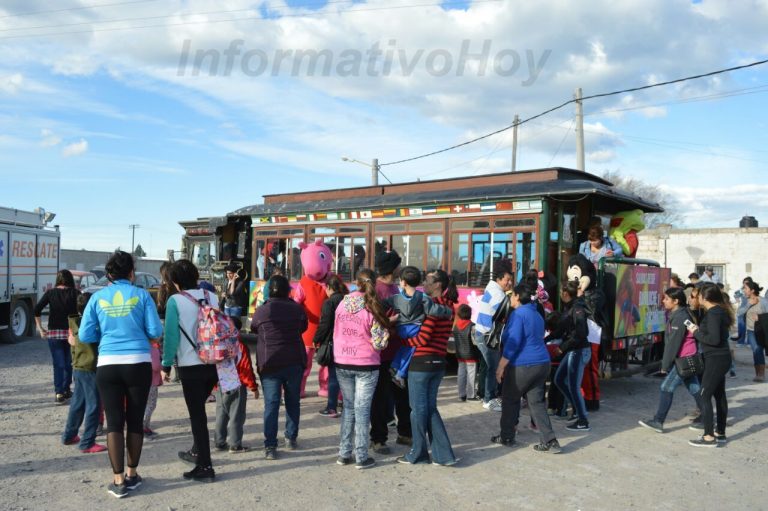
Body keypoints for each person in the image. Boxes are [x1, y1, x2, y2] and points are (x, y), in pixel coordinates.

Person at [79, 251, 163, 498]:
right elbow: (155, 331)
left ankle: (117, 482)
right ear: (131, 273)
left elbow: (85, 335)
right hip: (138, 363)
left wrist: (106, 334)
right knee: (135, 421)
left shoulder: (97, 298)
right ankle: (132, 475)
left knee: (114, 422)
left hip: (108, 365)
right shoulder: (142, 295)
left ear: (108, 275)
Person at [161, 259, 220, 482]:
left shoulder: (175, 301)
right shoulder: (211, 296)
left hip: (190, 365)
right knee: (200, 412)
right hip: (213, 363)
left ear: (175, 281)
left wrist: (166, 365)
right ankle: (197, 451)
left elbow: (171, 337)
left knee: (198, 417)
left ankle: (205, 466)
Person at [397, 269, 458, 466]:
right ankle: (443, 455)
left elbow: (422, 338)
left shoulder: (433, 306)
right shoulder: (450, 306)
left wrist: (402, 340)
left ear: (438, 284)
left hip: (422, 363)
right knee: (430, 408)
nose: (425, 284)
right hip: (439, 362)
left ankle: (418, 453)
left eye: (429, 281)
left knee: (417, 410)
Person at [492, 283, 562, 453]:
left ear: (516, 296)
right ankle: (550, 440)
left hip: (523, 365)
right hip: (542, 363)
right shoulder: (536, 314)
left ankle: (507, 436)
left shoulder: (518, 315)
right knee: (536, 403)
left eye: (511, 295)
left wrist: (501, 366)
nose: (509, 298)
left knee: (510, 399)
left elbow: (513, 342)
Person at [333, 269, 390, 469]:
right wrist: (389, 325)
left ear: (356, 282)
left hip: (342, 360)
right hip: (366, 363)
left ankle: (344, 453)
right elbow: (379, 343)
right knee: (362, 409)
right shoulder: (373, 306)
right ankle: (361, 456)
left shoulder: (341, 304)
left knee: (348, 408)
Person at [250, 275, 308, 460]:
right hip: (293, 361)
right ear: (287, 290)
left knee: (271, 405)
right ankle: (290, 438)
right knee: (293, 402)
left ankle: (270, 446)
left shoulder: (261, 311)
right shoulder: (297, 309)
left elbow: (254, 329)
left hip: (269, 363)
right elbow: (303, 327)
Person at [638, 287, 703, 433]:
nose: (663, 301)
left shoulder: (680, 317)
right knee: (695, 388)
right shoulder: (681, 313)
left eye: (667, 299)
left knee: (666, 387)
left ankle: (658, 421)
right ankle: (707, 416)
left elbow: (674, 344)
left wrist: (665, 365)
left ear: (676, 301)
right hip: (688, 357)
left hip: (683, 359)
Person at [370, 249, 412, 453]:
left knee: (402, 395)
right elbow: (374, 322)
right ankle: (378, 438)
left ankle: (405, 433)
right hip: (381, 354)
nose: (400, 268)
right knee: (379, 398)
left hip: (398, 354)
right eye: (398, 265)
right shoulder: (377, 291)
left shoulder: (395, 288)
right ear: (392, 268)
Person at [385, 265, 453, 386]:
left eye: (428, 281)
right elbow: (433, 310)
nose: (425, 283)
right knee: (411, 349)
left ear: (403, 282)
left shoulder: (396, 298)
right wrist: (447, 312)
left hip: (401, 327)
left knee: (403, 348)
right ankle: (400, 373)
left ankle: (395, 365)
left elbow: (383, 304)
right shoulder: (424, 299)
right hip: (415, 328)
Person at [688, 283, 733, 447]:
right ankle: (720, 432)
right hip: (720, 357)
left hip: (716, 358)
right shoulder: (718, 311)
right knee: (719, 395)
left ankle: (708, 436)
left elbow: (713, 340)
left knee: (704, 395)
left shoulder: (714, 313)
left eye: (698, 295)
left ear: (705, 297)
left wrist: (696, 332)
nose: (697, 297)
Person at [62, 292, 107, 453]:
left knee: (78, 403)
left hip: (78, 367)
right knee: (94, 404)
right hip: (90, 367)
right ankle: (87, 442)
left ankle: (69, 435)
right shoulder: (91, 324)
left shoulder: (74, 322)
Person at [34, 269, 80, 404]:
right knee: (68, 363)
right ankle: (66, 389)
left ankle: (59, 392)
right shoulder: (75, 293)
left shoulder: (50, 293)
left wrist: (40, 328)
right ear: (70, 279)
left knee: (58, 364)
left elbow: (36, 309)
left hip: (54, 333)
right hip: (71, 333)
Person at [214, 318, 259, 453]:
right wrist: (253, 387)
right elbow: (245, 367)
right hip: (236, 383)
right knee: (236, 415)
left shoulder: (219, 342)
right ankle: (235, 444)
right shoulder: (239, 345)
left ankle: (219, 441)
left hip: (221, 382)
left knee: (221, 413)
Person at [474, 260, 514, 412]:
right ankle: (489, 399)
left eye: (510, 280)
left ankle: (486, 395)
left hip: (483, 334)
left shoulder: (493, 289)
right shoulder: (497, 294)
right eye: (507, 280)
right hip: (487, 336)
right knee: (493, 367)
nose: (509, 283)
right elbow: (508, 312)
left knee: (487, 366)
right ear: (499, 279)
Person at [553, 281, 592, 432]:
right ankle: (577, 409)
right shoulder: (569, 307)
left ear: (565, 294)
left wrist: (562, 348)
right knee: (558, 380)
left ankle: (583, 420)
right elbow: (562, 329)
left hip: (579, 350)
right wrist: (546, 339)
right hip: (573, 350)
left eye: (561, 292)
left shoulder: (577, 309)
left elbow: (581, 334)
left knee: (574, 386)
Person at [313, 274, 349, 418]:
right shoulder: (348, 300)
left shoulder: (329, 303)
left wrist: (317, 339)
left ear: (329, 287)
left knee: (333, 376)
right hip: (348, 341)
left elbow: (325, 324)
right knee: (346, 376)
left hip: (334, 342)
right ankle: (345, 405)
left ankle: (331, 407)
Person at [453, 304, 480, 401]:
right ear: (470, 314)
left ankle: (461, 394)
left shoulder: (456, 326)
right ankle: (471, 395)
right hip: (471, 355)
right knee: (471, 375)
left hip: (460, 355)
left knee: (461, 374)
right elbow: (476, 341)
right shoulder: (472, 326)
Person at [743, 281, 766, 382]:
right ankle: (757, 374)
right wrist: (748, 304)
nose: (744, 290)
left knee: (758, 349)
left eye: (745, 288)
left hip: (761, 330)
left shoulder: (764, 301)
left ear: (752, 290)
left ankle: (761, 374)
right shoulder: (745, 300)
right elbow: (739, 312)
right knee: (755, 350)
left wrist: (760, 318)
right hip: (750, 330)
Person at [142, 338, 162, 438]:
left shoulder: (139, 348)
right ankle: (144, 426)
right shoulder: (153, 349)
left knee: (142, 404)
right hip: (151, 381)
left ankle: (144, 426)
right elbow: (156, 366)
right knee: (151, 405)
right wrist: (162, 367)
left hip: (140, 381)